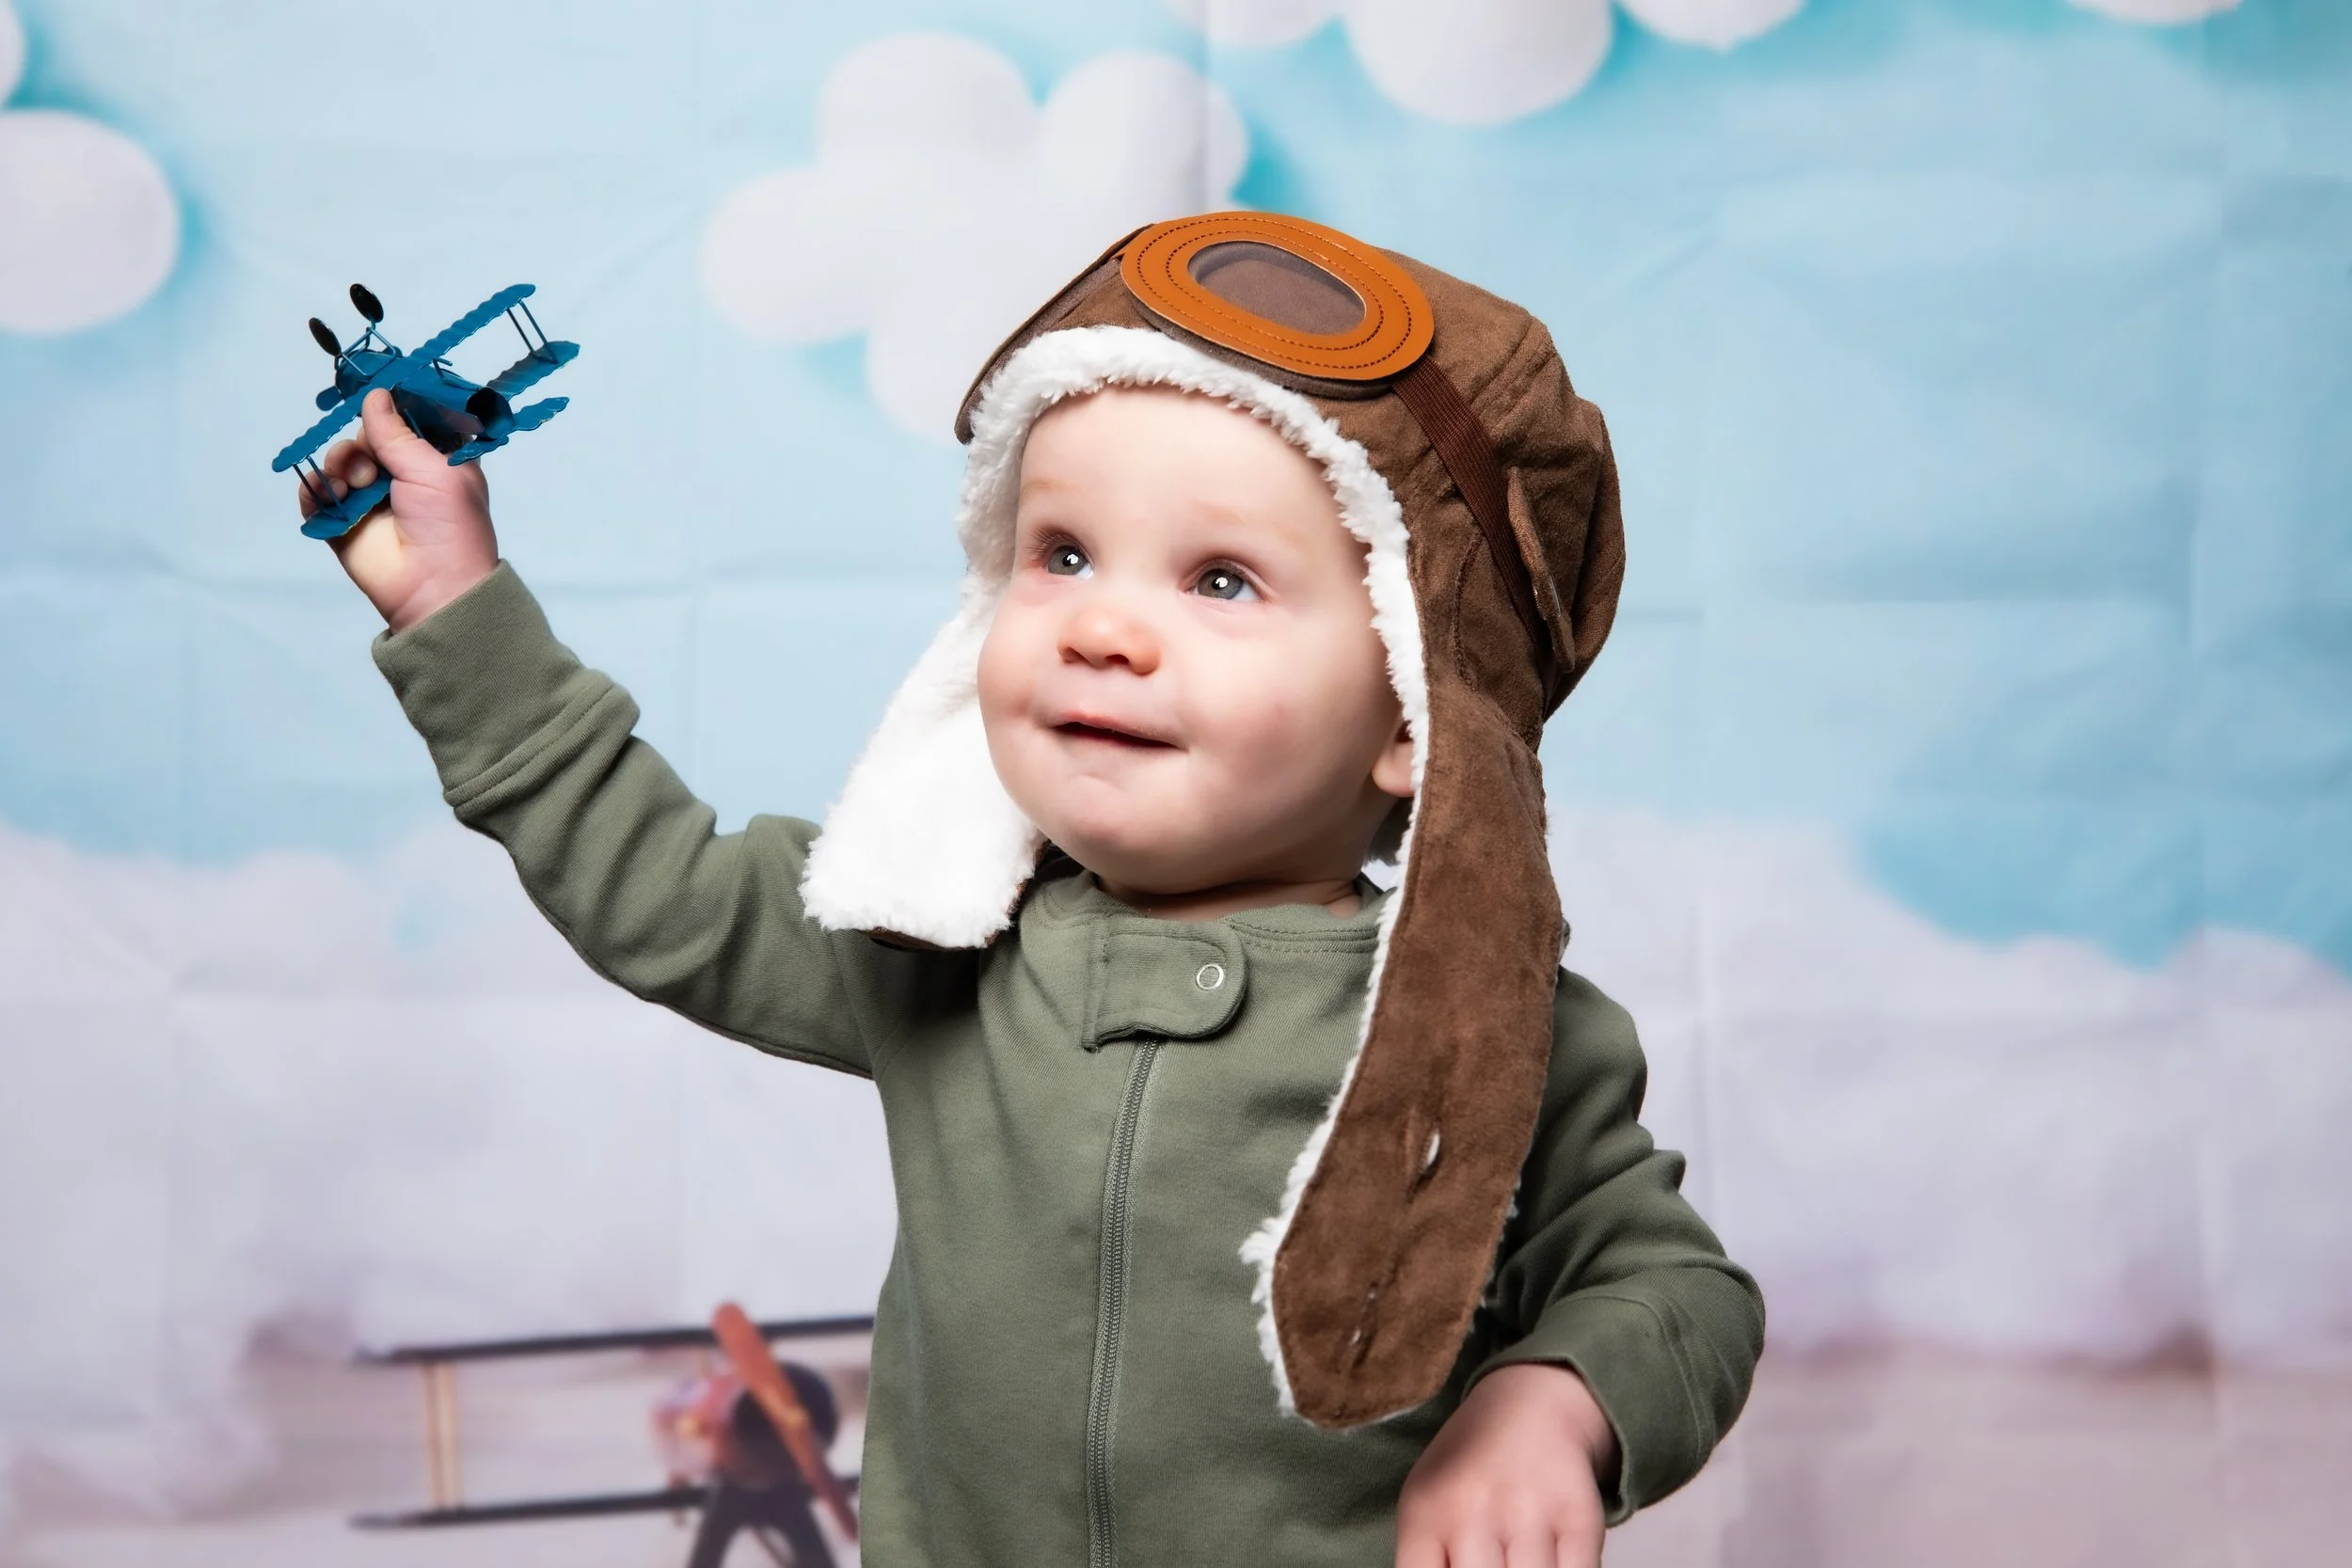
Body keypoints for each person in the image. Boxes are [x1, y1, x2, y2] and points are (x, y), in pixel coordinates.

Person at [303, 212, 1763, 1568]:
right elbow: (664, 888)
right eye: (1061, 554)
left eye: (1223, 579)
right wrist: (453, 607)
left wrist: (1551, 1402)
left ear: (1415, 715)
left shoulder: (1489, 1032)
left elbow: (1677, 1290)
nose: (1103, 626)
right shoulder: (939, 941)